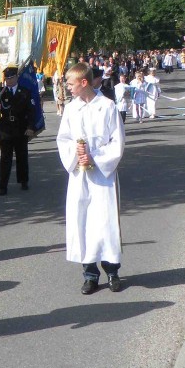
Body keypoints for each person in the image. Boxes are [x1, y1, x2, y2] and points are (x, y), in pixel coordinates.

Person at [56, 63, 125, 294]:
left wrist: (94, 157)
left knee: (104, 222)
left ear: (84, 82)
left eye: (70, 83)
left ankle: (112, 271)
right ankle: (90, 274)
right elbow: (63, 139)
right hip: (79, 176)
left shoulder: (107, 106)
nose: (67, 87)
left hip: (102, 176)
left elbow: (117, 141)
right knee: (82, 221)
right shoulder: (70, 109)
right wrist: (75, 154)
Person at [0, 66, 36, 196]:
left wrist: (30, 127)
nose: (9, 80)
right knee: (5, 158)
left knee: (21, 156)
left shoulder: (25, 92)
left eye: (11, 77)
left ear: (16, 77)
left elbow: (31, 112)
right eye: (6, 78)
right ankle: (3, 186)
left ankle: (23, 180)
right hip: (6, 129)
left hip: (20, 128)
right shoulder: (1, 91)